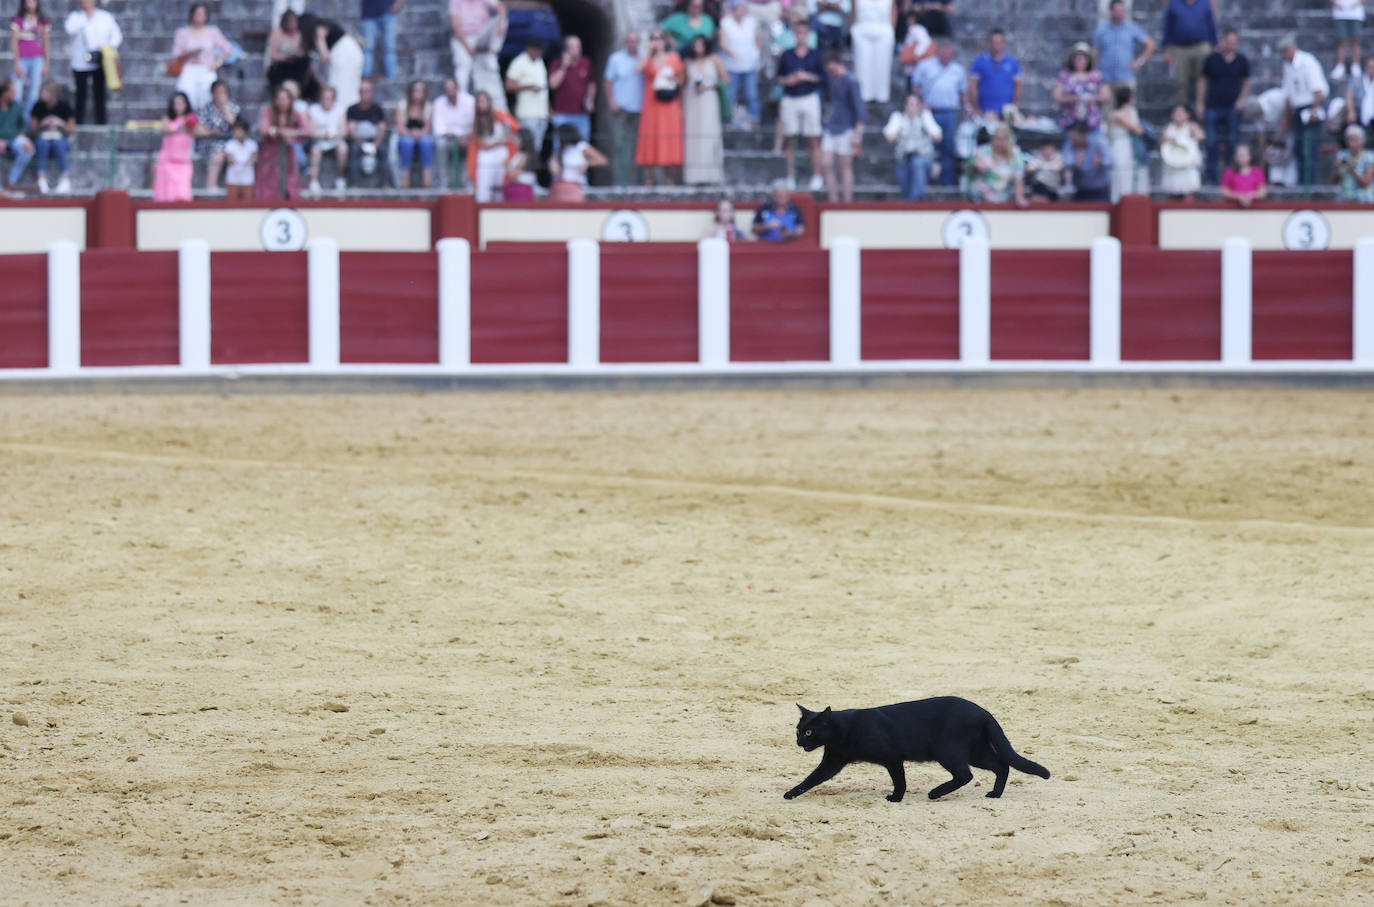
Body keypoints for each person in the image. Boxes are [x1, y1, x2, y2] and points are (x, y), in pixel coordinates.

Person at [777, 13, 825, 190]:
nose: (801, 36)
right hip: (791, 97)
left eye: (804, 33)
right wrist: (790, 80)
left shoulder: (816, 55)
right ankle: (791, 176)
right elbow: (779, 78)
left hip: (809, 97)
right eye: (798, 33)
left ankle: (817, 175)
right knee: (790, 138)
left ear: (809, 34)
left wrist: (807, 77)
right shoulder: (787, 55)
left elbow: (822, 78)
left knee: (813, 138)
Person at [1197, 29, 1250, 184]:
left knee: (1232, 143)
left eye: (1234, 41)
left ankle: (1231, 179)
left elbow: (1247, 81)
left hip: (1232, 107)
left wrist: (1241, 100)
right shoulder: (1212, 59)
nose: (1231, 44)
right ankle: (1212, 179)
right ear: (1223, 41)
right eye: (1229, 40)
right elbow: (1203, 81)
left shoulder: (1241, 60)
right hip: (1212, 106)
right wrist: (1200, 102)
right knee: (1211, 143)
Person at [911, 39, 965, 187]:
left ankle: (946, 182)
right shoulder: (925, 66)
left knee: (948, 148)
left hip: (949, 113)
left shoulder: (957, 70)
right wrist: (920, 103)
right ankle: (925, 183)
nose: (947, 55)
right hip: (929, 112)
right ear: (938, 51)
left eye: (950, 52)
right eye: (944, 51)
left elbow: (962, 92)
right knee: (925, 148)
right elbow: (915, 86)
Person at [1279, 34, 1329, 189]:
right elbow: (1288, 94)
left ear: (1294, 47)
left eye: (1286, 50)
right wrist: (1286, 117)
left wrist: (1314, 111)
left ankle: (1310, 186)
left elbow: (1318, 90)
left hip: (1310, 109)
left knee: (1310, 150)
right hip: (1297, 110)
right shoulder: (1287, 66)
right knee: (1299, 149)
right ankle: (1301, 185)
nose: (1284, 54)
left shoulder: (1308, 62)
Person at [635, 29, 685, 186]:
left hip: (669, 104)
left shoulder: (674, 58)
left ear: (665, 41)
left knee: (669, 139)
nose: (656, 41)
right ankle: (650, 179)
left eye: (659, 38)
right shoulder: (648, 58)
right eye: (653, 38)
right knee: (649, 138)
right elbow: (637, 69)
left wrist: (672, 81)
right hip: (651, 104)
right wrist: (649, 52)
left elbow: (682, 80)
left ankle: (670, 180)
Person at [64, 0, 120, 125]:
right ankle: (79, 122)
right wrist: (84, 16)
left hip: (100, 59)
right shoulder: (75, 17)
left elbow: (116, 35)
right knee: (80, 94)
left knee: (99, 93)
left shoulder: (105, 17)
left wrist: (107, 48)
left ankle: (101, 122)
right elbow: (70, 30)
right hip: (80, 61)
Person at [169, 4, 231, 112]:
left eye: (202, 14)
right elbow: (175, 55)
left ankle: (205, 123)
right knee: (187, 96)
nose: (199, 17)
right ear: (192, 15)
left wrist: (217, 63)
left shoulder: (212, 31)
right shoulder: (182, 33)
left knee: (207, 97)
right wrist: (190, 52)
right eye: (197, 14)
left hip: (206, 68)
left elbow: (228, 49)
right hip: (189, 68)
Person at [1092, 0, 1154, 108]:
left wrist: (1139, 62)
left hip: (1126, 77)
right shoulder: (1101, 30)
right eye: (1117, 10)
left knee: (1127, 111)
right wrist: (1094, 74)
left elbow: (1150, 44)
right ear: (1111, 11)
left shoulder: (1131, 28)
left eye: (1122, 10)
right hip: (1106, 77)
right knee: (1107, 112)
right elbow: (1095, 52)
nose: (1119, 13)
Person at [819, 53, 863, 202]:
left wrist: (858, 133)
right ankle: (833, 198)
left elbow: (859, 108)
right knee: (826, 163)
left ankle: (847, 199)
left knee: (845, 166)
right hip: (831, 125)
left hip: (846, 127)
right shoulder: (833, 80)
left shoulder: (851, 81)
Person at [297, 12, 364, 110]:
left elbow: (325, 56)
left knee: (338, 87)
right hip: (353, 51)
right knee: (352, 86)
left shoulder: (317, 29)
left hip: (343, 55)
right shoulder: (325, 24)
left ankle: (342, 113)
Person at [683, 33, 726, 185]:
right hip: (692, 101)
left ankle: (712, 175)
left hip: (709, 99)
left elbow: (725, 80)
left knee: (709, 134)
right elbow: (683, 83)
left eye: (701, 44)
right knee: (693, 137)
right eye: (695, 44)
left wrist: (708, 85)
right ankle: (693, 176)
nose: (698, 47)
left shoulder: (714, 60)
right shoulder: (688, 63)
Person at [603, 29, 643, 186]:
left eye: (635, 40)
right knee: (619, 146)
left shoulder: (643, 58)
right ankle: (619, 184)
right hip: (621, 109)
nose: (632, 43)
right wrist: (612, 101)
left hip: (639, 109)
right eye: (629, 40)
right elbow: (607, 81)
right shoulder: (616, 59)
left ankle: (634, 184)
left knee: (637, 148)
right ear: (625, 42)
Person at [882, 91, 940, 200]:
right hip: (904, 157)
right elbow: (889, 136)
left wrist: (927, 128)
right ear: (905, 105)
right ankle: (909, 202)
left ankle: (917, 201)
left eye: (915, 104)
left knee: (917, 164)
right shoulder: (898, 117)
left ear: (919, 106)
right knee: (903, 177)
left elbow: (938, 136)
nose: (912, 107)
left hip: (923, 156)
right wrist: (898, 131)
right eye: (910, 104)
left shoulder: (925, 117)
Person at [449, 0, 505, 106]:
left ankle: (493, 52)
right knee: (463, 69)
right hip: (462, 39)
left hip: (481, 37)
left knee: (500, 21)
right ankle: (461, 101)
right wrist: (467, 47)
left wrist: (502, 21)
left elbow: (501, 7)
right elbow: (455, 26)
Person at [1161, 0, 1217, 106]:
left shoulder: (1204, 3)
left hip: (1201, 46)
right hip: (1179, 48)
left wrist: (1214, 45)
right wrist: (1166, 49)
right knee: (1180, 81)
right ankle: (1181, 111)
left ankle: (1202, 107)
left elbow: (1211, 24)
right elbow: (1167, 26)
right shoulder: (1174, 3)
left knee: (1203, 78)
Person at [256, 84, 308, 198]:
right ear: (275, 100)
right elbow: (263, 129)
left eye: (285, 99)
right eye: (280, 99)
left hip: (288, 153)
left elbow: (307, 130)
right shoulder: (267, 111)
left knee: (289, 183)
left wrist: (294, 133)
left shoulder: (295, 113)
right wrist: (282, 131)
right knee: (269, 183)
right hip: (269, 154)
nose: (282, 102)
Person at [467, 89, 517, 201]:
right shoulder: (476, 121)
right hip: (485, 156)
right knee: (484, 185)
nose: (482, 104)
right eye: (479, 101)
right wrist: (500, 142)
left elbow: (509, 135)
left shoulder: (500, 116)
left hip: (501, 155)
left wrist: (500, 141)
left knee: (500, 185)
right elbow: (483, 145)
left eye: (484, 101)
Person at [719, 2, 762, 124]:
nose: (742, 11)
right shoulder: (725, 22)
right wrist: (733, 54)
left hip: (750, 66)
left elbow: (758, 40)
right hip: (732, 66)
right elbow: (723, 43)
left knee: (751, 95)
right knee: (730, 95)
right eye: (739, 8)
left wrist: (755, 54)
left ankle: (755, 121)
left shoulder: (752, 21)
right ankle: (728, 120)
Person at [505, 37, 549, 154]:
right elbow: (509, 86)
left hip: (542, 114)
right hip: (527, 114)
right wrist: (529, 87)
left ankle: (532, 171)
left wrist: (548, 109)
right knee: (527, 146)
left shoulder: (540, 61)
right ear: (529, 49)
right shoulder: (519, 62)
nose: (538, 53)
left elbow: (544, 89)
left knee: (537, 148)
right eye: (536, 50)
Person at [549, 35, 595, 145]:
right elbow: (553, 84)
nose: (577, 50)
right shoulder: (557, 64)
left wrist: (590, 99)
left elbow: (591, 83)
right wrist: (564, 66)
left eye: (578, 47)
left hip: (581, 114)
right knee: (559, 147)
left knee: (583, 147)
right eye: (573, 47)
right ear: (566, 50)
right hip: (562, 114)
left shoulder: (586, 63)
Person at [28, 78, 72, 193]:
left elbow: (71, 128)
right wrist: (43, 123)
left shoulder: (64, 106)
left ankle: (65, 178)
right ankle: (41, 178)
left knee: (58, 143)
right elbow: (32, 128)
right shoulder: (38, 106)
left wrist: (59, 122)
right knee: (43, 143)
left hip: (60, 138)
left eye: (45, 92)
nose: (42, 94)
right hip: (43, 137)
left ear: (53, 94)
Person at [967, 122, 1026, 206]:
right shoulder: (982, 151)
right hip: (979, 199)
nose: (999, 142)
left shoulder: (1016, 154)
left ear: (1009, 140)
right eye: (996, 138)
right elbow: (969, 171)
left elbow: (1019, 178)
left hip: (1004, 199)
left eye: (1003, 139)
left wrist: (1019, 197)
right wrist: (975, 166)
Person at [1054, 42, 1109, 133]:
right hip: (1070, 122)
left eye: (1083, 58)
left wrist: (1091, 98)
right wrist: (1073, 98)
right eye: (1077, 58)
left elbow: (1106, 95)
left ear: (1088, 60)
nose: (1080, 61)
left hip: (1092, 122)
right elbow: (1056, 96)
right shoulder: (1065, 75)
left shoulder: (1096, 75)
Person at [152, 91, 197, 202]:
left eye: (181, 103)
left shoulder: (191, 120)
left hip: (183, 162)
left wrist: (192, 124)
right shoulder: (167, 119)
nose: (179, 106)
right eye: (176, 103)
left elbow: (201, 131)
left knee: (183, 193)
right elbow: (165, 129)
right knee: (166, 195)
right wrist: (181, 126)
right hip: (167, 162)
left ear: (186, 104)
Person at [967, 28, 1020, 119]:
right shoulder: (980, 61)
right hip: (985, 111)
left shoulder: (1012, 62)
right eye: (994, 42)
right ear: (990, 43)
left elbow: (1018, 86)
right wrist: (976, 108)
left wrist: (1014, 106)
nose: (997, 45)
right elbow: (973, 86)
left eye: (999, 42)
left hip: (1006, 111)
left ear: (1004, 43)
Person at [10, 0, 50, 120]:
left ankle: (27, 121)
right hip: (21, 58)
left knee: (34, 92)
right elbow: (14, 42)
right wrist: (16, 63)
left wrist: (47, 62)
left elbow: (46, 42)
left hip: (37, 58)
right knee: (16, 91)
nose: (30, 3)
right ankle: (14, 120)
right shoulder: (18, 20)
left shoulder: (42, 20)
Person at [196, 79, 238, 191]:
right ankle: (211, 186)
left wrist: (225, 108)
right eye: (217, 92)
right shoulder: (206, 108)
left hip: (229, 142)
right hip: (209, 142)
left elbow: (234, 123)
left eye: (222, 92)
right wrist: (212, 132)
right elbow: (199, 129)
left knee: (226, 151)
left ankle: (235, 188)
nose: (220, 95)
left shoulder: (232, 107)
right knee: (217, 151)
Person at [549, 120, 607, 200]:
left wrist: (587, 163)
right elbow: (555, 169)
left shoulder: (581, 146)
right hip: (562, 185)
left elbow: (602, 160)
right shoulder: (561, 150)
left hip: (577, 185)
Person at [432, 76, 473, 189]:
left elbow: (473, 125)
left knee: (474, 144)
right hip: (448, 138)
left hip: (467, 138)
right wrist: (455, 138)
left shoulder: (469, 101)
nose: (450, 91)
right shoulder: (438, 103)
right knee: (440, 144)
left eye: (452, 88)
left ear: (457, 88)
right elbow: (439, 129)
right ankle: (443, 182)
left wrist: (465, 137)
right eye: (447, 88)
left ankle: (469, 181)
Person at [345, 76, 387, 185]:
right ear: (359, 93)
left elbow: (382, 128)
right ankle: (353, 184)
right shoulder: (352, 109)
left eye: (367, 91)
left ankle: (384, 184)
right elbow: (351, 130)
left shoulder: (377, 109)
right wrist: (362, 144)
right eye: (362, 91)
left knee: (383, 150)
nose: (365, 94)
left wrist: (375, 144)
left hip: (374, 141)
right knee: (353, 150)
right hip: (358, 141)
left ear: (371, 92)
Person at [1109, 85, 1148, 199]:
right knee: (1122, 172)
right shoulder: (1118, 114)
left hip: (1132, 145)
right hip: (1121, 146)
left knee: (1134, 172)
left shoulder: (1133, 111)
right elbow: (1136, 129)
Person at [395, 78, 435, 188]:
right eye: (415, 90)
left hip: (422, 136)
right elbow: (400, 127)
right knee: (407, 142)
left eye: (421, 91)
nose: (418, 93)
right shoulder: (402, 105)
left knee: (426, 142)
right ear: (410, 92)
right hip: (406, 135)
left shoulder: (428, 107)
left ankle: (427, 176)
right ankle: (405, 175)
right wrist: (410, 133)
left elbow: (428, 128)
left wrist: (419, 134)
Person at [307, 84, 347, 192]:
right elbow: (310, 131)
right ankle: (313, 181)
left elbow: (343, 131)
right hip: (319, 141)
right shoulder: (314, 109)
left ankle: (340, 179)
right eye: (324, 98)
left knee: (343, 148)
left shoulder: (340, 109)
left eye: (329, 98)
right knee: (315, 151)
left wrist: (333, 135)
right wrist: (322, 135)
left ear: (333, 99)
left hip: (335, 140)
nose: (326, 101)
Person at [1159, 103, 1203, 199]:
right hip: (1173, 164)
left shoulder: (1191, 126)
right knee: (1173, 194)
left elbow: (1201, 136)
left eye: (1181, 112)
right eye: (1176, 112)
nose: (1178, 114)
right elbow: (1161, 144)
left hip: (1187, 165)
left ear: (1187, 115)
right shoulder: (1168, 128)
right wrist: (1170, 140)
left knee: (1188, 194)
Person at [1062, 119, 1113, 201]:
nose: (1072, 141)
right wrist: (1074, 164)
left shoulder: (1099, 142)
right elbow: (1067, 163)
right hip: (1080, 191)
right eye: (1070, 139)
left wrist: (1100, 162)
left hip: (1100, 191)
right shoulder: (1070, 145)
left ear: (1083, 135)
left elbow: (1110, 161)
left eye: (1074, 139)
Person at [266, 11, 313, 97]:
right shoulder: (278, 33)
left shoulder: (299, 34)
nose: (293, 24)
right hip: (280, 67)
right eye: (290, 21)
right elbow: (272, 56)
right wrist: (286, 58)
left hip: (295, 67)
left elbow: (303, 52)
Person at [0, 78, 35, 191]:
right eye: (12, 92)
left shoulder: (15, 106)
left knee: (28, 148)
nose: (15, 94)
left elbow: (24, 125)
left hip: (13, 138)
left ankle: (11, 180)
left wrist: (23, 136)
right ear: (4, 93)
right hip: (2, 139)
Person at [360, 0, 402, 80]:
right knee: (368, 48)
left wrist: (397, 4)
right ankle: (365, 78)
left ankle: (392, 77)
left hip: (388, 12)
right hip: (368, 13)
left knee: (389, 48)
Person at [1334, 123, 1374, 200]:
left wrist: (1352, 171)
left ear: (1361, 141)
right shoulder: (1342, 155)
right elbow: (1333, 182)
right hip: (1344, 198)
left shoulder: (1370, 157)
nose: (1351, 143)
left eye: (1354, 139)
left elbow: (1366, 183)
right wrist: (1337, 169)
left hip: (1364, 200)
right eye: (1349, 139)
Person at [222, 117, 257, 199]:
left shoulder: (252, 144)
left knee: (248, 202)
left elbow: (255, 158)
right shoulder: (230, 144)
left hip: (248, 178)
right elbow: (229, 157)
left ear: (246, 131)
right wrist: (239, 162)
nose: (237, 133)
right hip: (233, 178)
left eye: (239, 130)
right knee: (231, 203)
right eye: (235, 130)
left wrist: (247, 162)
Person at [1332, 0, 1365, 82]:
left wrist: (1356, 3)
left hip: (1355, 13)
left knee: (1355, 41)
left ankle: (1356, 65)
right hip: (1340, 13)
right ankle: (1340, 66)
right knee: (1341, 41)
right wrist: (1337, 3)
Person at [502, 126, 536, 199]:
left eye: (517, 139)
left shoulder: (524, 156)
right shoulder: (519, 154)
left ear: (523, 140)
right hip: (515, 188)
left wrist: (506, 165)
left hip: (521, 190)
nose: (514, 141)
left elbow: (512, 175)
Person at [1348, 55, 1374, 130]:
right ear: (1366, 67)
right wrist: (1351, 112)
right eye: (1371, 67)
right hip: (1359, 113)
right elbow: (1349, 95)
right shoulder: (1358, 80)